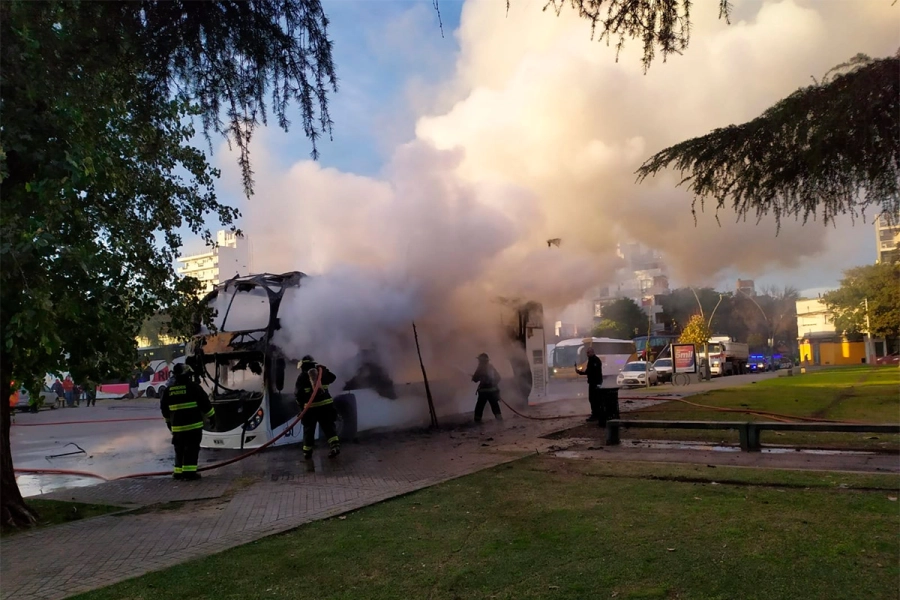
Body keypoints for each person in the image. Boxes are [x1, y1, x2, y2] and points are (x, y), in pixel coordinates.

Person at [160, 364, 215, 480]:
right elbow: (205, 404)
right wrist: (213, 417)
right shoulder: (194, 388)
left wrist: (169, 423)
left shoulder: (169, 390)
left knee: (179, 450)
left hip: (177, 429)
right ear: (187, 375)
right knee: (191, 449)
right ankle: (189, 474)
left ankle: (178, 472)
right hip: (193, 427)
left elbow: (164, 409)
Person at [295, 355, 340, 459]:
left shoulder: (302, 376)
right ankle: (335, 447)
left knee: (309, 430)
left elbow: (298, 394)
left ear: (303, 365)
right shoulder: (321, 373)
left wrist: (301, 409)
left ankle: (307, 452)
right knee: (329, 427)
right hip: (326, 407)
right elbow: (333, 377)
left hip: (310, 409)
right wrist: (324, 369)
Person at [575, 347, 604, 422]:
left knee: (594, 399)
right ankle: (596, 413)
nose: (587, 354)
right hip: (593, 382)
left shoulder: (595, 360)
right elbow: (588, 371)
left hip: (595, 383)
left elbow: (591, 372)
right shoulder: (591, 360)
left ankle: (595, 414)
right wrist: (580, 372)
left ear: (592, 352)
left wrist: (581, 372)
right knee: (593, 399)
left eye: (588, 353)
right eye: (587, 353)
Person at [471, 353, 503, 423]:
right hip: (492, 391)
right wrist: (493, 384)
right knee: (495, 405)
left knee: (479, 407)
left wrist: (473, 377)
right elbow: (498, 377)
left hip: (483, 392)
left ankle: (477, 421)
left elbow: (475, 379)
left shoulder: (480, 368)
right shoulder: (491, 367)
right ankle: (499, 420)